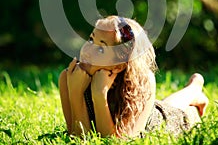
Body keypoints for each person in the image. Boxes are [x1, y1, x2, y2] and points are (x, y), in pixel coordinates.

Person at [59, 16, 208, 138]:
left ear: (118, 65)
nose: (87, 50)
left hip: (158, 123)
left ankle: (194, 88)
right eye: (91, 39)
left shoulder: (142, 81)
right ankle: (194, 88)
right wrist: (75, 92)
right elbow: (78, 137)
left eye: (100, 49)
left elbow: (117, 144)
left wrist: (99, 95)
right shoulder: (70, 78)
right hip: (150, 107)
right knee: (163, 104)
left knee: (175, 111)